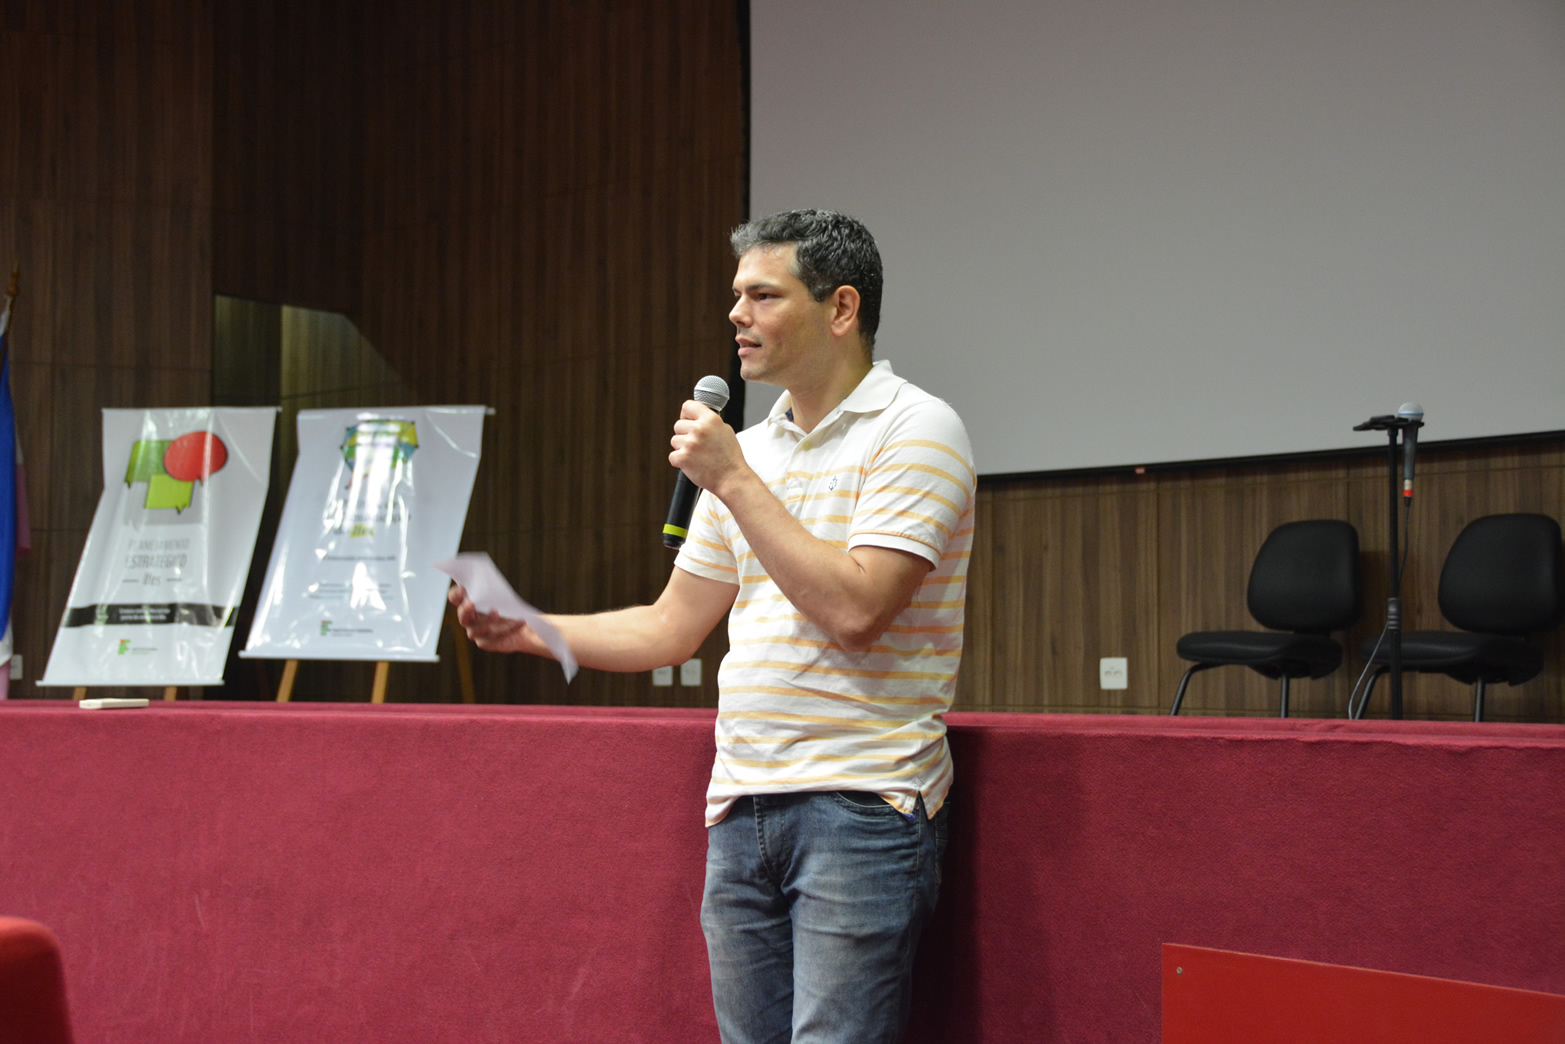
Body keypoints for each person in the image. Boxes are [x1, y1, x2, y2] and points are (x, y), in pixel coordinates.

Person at [450, 209, 975, 1044]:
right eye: (736, 295)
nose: (736, 314)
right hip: (740, 803)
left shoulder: (916, 428)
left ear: (841, 308)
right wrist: (530, 629)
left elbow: (856, 609)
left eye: (763, 295)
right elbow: (671, 626)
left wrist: (730, 479)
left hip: (860, 802)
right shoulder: (750, 452)